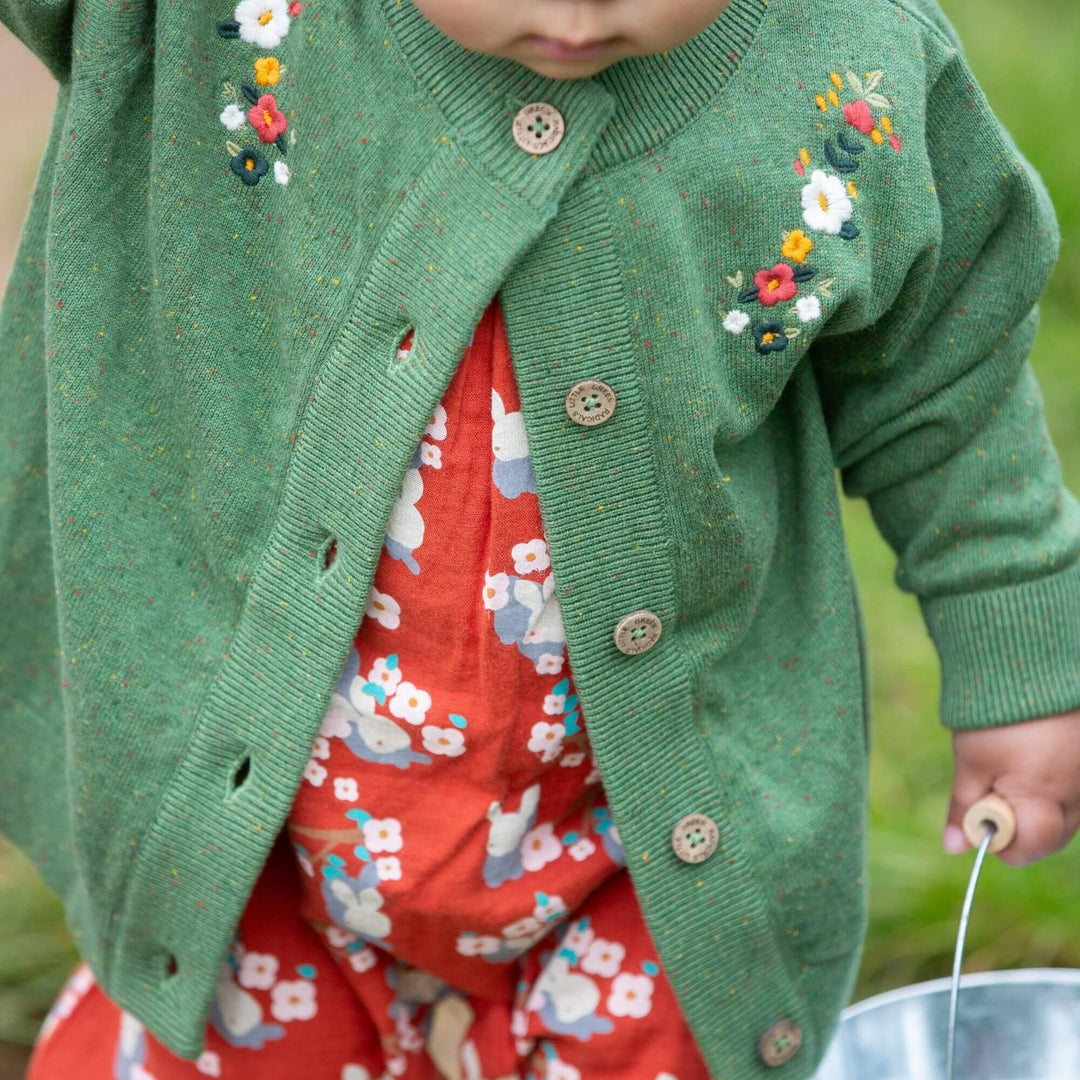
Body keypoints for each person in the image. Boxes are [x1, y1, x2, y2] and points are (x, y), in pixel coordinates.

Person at [0, 0, 1077, 1076]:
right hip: (249, 840)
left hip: (649, 854)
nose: (577, 7)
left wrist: (1024, 666)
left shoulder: (854, 81)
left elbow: (950, 386)